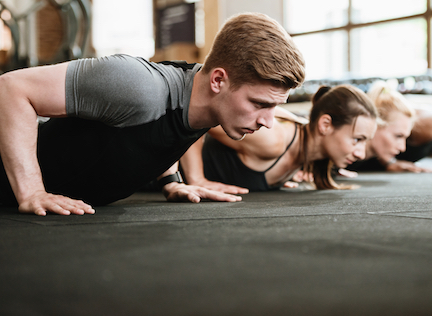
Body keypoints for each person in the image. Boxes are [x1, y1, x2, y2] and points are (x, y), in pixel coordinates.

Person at [0, 12, 305, 216]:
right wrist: (32, 192)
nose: (267, 122)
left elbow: (163, 122)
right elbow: (11, 88)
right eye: (260, 104)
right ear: (219, 80)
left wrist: (171, 180)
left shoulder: (205, 102)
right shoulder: (137, 84)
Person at [176, 84, 378, 192]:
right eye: (357, 140)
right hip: (153, 177)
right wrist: (197, 179)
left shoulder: (303, 155)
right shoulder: (273, 141)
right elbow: (195, 116)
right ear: (325, 125)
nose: (361, 153)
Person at [344, 80, 423, 174]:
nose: (402, 148)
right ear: (375, 125)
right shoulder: (340, 153)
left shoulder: (376, 160)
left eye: (405, 138)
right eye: (398, 136)